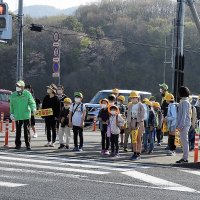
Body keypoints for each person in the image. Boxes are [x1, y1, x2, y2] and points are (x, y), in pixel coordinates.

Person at [10, 80, 36, 150]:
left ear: (23, 87)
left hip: (26, 115)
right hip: (17, 115)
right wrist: (11, 113)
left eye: (19, 86)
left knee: (26, 130)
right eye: (16, 86)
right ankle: (18, 145)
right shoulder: (13, 95)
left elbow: (32, 102)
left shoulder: (27, 94)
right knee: (18, 131)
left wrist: (33, 108)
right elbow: (11, 105)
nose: (17, 87)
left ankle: (28, 144)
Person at [127, 91, 145, 160]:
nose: (133, 99)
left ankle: (138, 153)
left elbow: (142, 115)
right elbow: (128, 115)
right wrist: (128, 124)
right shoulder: (130, 105)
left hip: (139, 123)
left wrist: (138, 123)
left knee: (138, 138)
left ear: (137, 98)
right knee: (133, 138)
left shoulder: (141, 105)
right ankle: (134, 153)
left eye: (134, 98)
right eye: (131, 98)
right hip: (132, 121)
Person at [176, 86, 191, 163]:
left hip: (184, 124)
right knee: (183, 140)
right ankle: (184, 157)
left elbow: (184, 115)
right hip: (184, 124)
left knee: (184, 141)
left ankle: (185, 158)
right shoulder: (184, 101)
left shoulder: (185, 102)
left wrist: (180, 125)